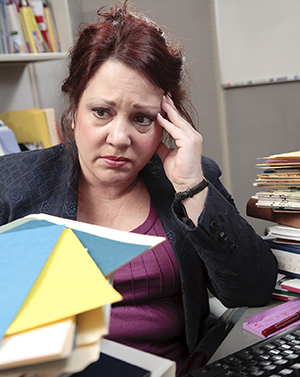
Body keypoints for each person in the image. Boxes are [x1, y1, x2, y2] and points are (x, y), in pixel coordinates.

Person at [0, 1, 277, 375]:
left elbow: (253, 290)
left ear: (166, 123)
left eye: (142, 119)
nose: (119, 138)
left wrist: (191, 187)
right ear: (74, 105)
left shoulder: (190, 180)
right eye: (101, 112)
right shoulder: (14, 182)